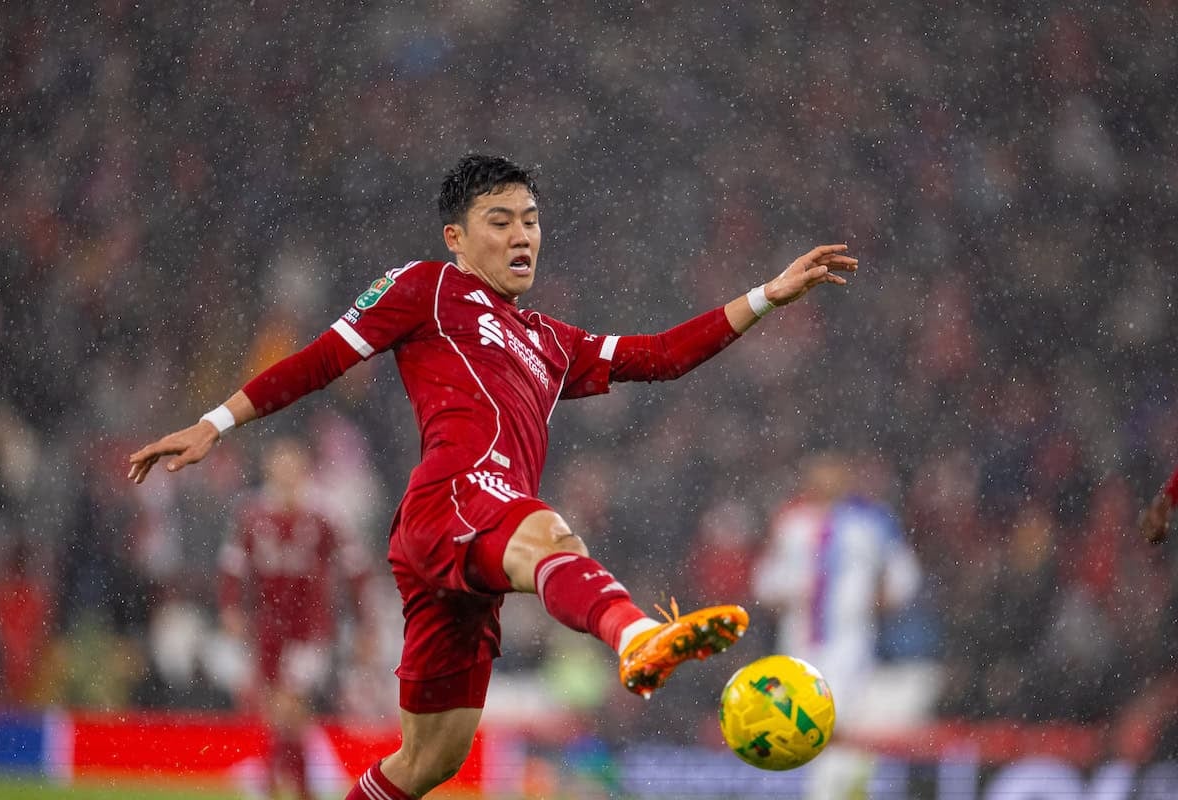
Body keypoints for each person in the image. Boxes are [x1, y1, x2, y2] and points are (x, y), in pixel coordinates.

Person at [128, 154, 858, 800]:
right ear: (456, 237)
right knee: (547, 528)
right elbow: (322, 358)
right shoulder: (427, 288)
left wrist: (768, 295)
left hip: (468, 549)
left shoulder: (549, 340)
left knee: (427, 762)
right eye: (500, 221)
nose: (521, 236)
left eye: (531, 221)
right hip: (452, 500)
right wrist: (214, 424)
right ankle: (636, 636)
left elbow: (661, 355)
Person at [752, 451, 922, 800]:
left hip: (850, 645)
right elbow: (764, 583)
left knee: (839, 725)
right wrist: (787, 593)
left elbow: (904, 580)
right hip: (797, 643)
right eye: (818, 471)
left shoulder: (872, 521)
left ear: (846, 476)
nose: (825, 479)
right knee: (794, 728)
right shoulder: (791, 521)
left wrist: (871, 601)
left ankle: (836, 793)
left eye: (832, 470)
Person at [218, 436, 378, 799]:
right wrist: (230, 608)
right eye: (280, 464)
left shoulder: (324, 514)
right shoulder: (251, 512)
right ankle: (293, 786)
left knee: (290, 706)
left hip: (310, 628)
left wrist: (365, 623)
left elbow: (355, 569)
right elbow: (232, 567)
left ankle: (275, 784)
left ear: (304, 468)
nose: (287, 472)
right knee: (280, 716)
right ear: (269, 468)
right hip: (267, 627)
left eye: (293, 465)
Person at [1140, 466, 1178, 544]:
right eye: (1155, 527)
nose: (1155, 518)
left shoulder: (1157, 478)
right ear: (1164, 528)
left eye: (1149, 521)